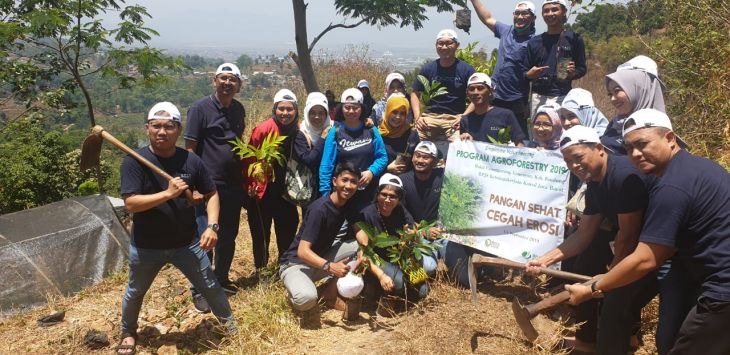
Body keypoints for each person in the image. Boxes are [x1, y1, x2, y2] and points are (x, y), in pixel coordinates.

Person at [565, 108, 730, 355]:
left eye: (643, 144)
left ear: (670, 139)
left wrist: (593, 288)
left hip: (722, 289)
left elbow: (647, 258)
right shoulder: (699, 167)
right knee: (669, 340)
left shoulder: (672, 188)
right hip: (703, 277)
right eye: (629, 148)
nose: (635, 154)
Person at [117, 102, 236, 355]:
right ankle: (128, 332)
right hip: (147, 245)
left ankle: (231, 327)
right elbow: (131, 204)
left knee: (210, 286)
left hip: (186, 242)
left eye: (169, 126)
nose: (162, 132)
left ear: (178, 129)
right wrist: (168, 193)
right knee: (136, 291)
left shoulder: (190, 160)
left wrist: (212, 226)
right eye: (156, 126)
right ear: (147, 128)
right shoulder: (134, 162)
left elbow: (211, 193)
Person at [526, 125, 657, 353]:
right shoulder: (595, 182)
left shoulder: (623, 176)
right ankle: (599, 339)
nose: (574, 165)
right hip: (632, 239)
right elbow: (584, 233)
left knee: (614, 298)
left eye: (578, 157)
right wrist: (545, 261)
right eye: (567, 161)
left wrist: (608, 279)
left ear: (599, 148)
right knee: (587, 265)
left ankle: (615, 342)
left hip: (657, 245)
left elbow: (628, 235)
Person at [184, 63, 246, 311]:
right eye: (223, 78)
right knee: (204, 238)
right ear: (214, 81)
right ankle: (200, 288)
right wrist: (193, 186)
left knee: (228, 236)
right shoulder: (200, 109)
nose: (227, 83)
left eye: (232, 79)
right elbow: (189, 149)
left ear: (238, 85)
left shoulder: (238, 109)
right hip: (207, 186)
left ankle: (221, 278)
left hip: (232, 185)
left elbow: (237, 145)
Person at [279, 163, 365, 314]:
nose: (348, 185)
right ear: (334, 181)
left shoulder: (348, 205)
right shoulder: (319, 210)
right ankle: (301, 289)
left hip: (320, 260)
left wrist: (364, 250)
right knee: (306, 299)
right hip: (295, 264)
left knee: (358, 247)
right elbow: (302, 251)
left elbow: (359, 231)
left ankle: (330, 294)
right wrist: (330, 267)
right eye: (344, 180)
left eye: (353, 182)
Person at [245, 89, 300, 272]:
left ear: (296, 110)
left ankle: (284, 267)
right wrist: (251, 184)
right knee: (261, 232)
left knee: (287, 229)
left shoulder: (298, 130)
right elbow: (249, 159)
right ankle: (261, 269)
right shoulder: (263, 129)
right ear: (274, 109)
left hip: (286, 193)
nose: (285, 113)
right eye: (281, 109)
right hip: (263, 192)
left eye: (289, 109)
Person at [356, 174, 430, 300]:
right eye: (384, 194)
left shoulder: (401, 210)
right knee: (399, 283)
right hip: (377, 258)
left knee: (422, 290)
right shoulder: (367, 214)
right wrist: (381, 276)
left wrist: (411, 236)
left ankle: (395, 291)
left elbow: (413, 231)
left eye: (393, 196)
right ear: (377, 194)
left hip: (398, 256)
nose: (387, 200)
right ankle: (375, 287)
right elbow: (365, 253)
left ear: (399, 199)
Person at [470, 0, 537, 135]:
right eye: (517, 13)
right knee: (491, 132)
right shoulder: (506, 31)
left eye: (525, 13)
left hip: (517, 99)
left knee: (518, 135)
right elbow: (487, 18)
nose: (520, 17)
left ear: (533, 18)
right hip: (494, 95)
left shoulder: (535, 42)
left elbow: (537, 73)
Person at [319, 88, 388, 213]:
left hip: (367, 194)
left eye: (355, 107)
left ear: (361, 108)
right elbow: (326, 165)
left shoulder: (371, 130)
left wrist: (371, 172)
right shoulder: (335, 132)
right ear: (342, 108)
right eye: (347, 107)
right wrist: (325, 195)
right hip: (343, 194)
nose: (351, 111)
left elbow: (382, 157)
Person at [411, 29, 476, 153]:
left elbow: (478, 96)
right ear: (436, 45)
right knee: (412, 143)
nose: (444, 47)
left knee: (461, 149)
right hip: (430, 117)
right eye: (440, 43)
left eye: (449, 43)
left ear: (457, 45)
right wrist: (418, 116)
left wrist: (464, 116)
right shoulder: (428, 69)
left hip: (454, 119)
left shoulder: (466, 70)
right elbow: (415, 93)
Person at [523, 0, 586, 116]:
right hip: (538, 97)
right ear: (542, 14)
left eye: (555, 9)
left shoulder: (574, 39)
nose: (550, 13)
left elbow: (582, 68)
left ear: (564, 11)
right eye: (546, 11)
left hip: (563, 96)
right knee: (539, 132)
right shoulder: (534, 42)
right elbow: (524, 72)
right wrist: (529, 75)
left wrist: (572, 74)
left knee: (563, 132)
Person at [399, 141, 445, 277]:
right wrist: (422, 230)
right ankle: (412, 284)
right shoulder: (403, 181)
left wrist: (465, 142)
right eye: (417, 156)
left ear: (435, 161)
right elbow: (401, 215)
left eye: (425, 157)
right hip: (417, 232)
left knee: (462, 272)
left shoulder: (443, 176)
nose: (420, 160)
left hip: (442, 232)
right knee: (428, 268)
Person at [601, 62, 665, 155]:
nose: (613, 99)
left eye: (617, 91)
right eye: (610, 94)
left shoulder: (653, 129)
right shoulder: (616, 123)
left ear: (638, 90)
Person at [460, 72, 526, 146]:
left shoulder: (506, 115)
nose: (475, 92)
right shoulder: (465, 120)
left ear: (490, 91)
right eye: (471, 89)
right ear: (467, 93)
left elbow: (519, 144)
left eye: (480, 88)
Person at [295, 92, 332, 205]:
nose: (317, 117)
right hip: (309, 189)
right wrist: (322, 138)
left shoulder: (334, 128)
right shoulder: (301, 134)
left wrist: (367, 122)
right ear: (307, 113)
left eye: (321, 113)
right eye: (313, 113)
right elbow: (309, 160)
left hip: (331, 186)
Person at [379, 93, 420, 175]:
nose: (398, 117)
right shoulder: (377, 134)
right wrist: (387, 169)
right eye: (394, 112)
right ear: (388, 111)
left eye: (402, 113)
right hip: (380, 182)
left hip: (405, 181)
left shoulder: (411, 134)